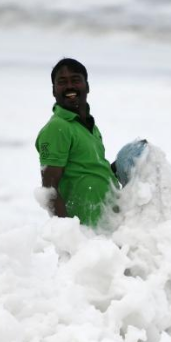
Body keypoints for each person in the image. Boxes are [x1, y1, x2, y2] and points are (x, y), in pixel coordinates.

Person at [36, 58, 118, 226]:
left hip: (106, 222)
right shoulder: (58, 127)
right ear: (53, 90)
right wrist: (70, 237)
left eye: (75, 80)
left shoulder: (90, 126)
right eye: (62, 82)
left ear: (87, 86)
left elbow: (90, 170)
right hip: (83, 231)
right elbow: (49, 190)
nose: (69, 86)